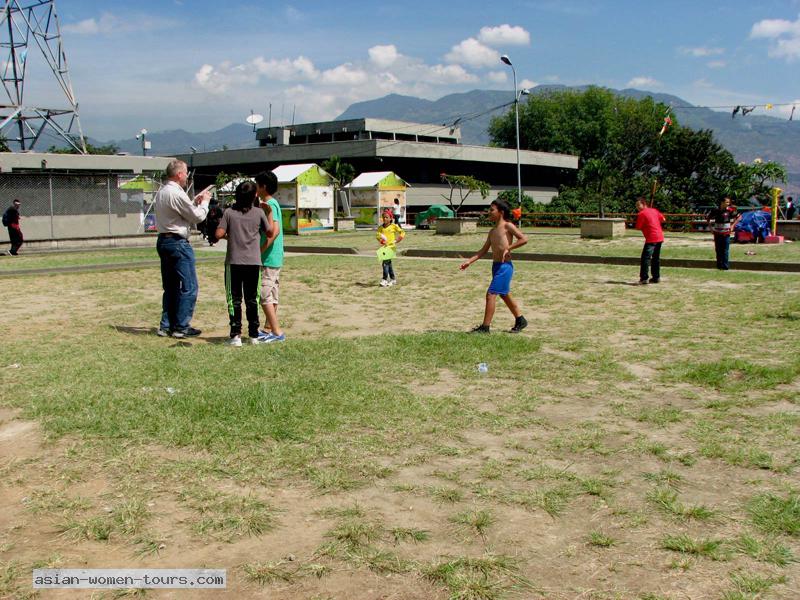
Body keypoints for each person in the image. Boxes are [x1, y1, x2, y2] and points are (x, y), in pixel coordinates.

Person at [154, 159, 211, 338]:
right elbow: (196, 217)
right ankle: (181, 326)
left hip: (163, 240)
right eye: (186, 172)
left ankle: (166, 325)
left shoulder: (162, 191)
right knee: (189, 286)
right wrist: (205, 203)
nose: (187, 176)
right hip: (178, 243)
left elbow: (180, 212)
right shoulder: (176, 193)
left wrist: (193, 201)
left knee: (170, 286)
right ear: (179, 174)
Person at [215, 181, 271, 346]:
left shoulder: (229, 213)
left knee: (234, 299)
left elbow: (218, 234)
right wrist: (268, 214)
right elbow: (269, 232)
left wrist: (230, 235)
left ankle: (235, 335)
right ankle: (254, 334)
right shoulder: (259, 213)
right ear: (254, 196)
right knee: (252, 298)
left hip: (234, 262)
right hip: (254, 262)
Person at [460, 199, 528, 333]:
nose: (489, 212)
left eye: (492, 210)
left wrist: (509, 248)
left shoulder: (508, 226)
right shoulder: (492, 231)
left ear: (501, 212)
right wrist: (469, 261)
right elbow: (483, 251)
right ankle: (521, 320)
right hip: (496, 266)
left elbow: (524, 239)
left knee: (491, 294)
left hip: (505, 267)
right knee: (504, 294)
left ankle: (485, 327)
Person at [254, 171, 286, 343]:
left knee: (264, 294)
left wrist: (260, 251)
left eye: (257, 185)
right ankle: (268, 329)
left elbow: (274, 232)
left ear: (263, 186)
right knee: (272, 293)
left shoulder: (269, 205)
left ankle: (276, 331)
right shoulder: (271, 203)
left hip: (269, 257)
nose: (255, 188)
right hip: (273, 257)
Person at [634, 198, 665, 284]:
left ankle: (644, 278)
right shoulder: (654, 210)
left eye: (638, 205)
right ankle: (656, 277)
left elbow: (638, 227)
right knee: (655, 258)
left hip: (652, 237)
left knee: (645, 258)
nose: (637, 207)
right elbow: (663, 219)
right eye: (636, 206)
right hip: (659, 236)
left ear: (644, 204)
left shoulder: (641, 214)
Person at [706, 197, 741, 270]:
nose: (728, 204)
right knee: (718, 250)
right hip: (717, 233)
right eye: (727, 202)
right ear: (722, 202)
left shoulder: (730, 210)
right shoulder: (715, 210)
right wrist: (711, 228)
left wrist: (732, 225)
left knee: (725, 250)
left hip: (726, 233)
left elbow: (739, 217)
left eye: (729, 202)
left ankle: (725, 266)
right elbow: (708, 218)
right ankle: (719, 266)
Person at [376, 210, 404, 287]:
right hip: (384, 248)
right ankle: (393, 279)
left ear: (390, 218)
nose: (385, 219)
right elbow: (377, 236)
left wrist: (397, 240)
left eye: (386, 217)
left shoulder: (393, 226)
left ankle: (384, 279)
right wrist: (382, 241)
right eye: (383, 217)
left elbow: (402, 232)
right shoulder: (380, 228)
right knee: (388, 263)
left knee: (385, 263)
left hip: (391, 247)